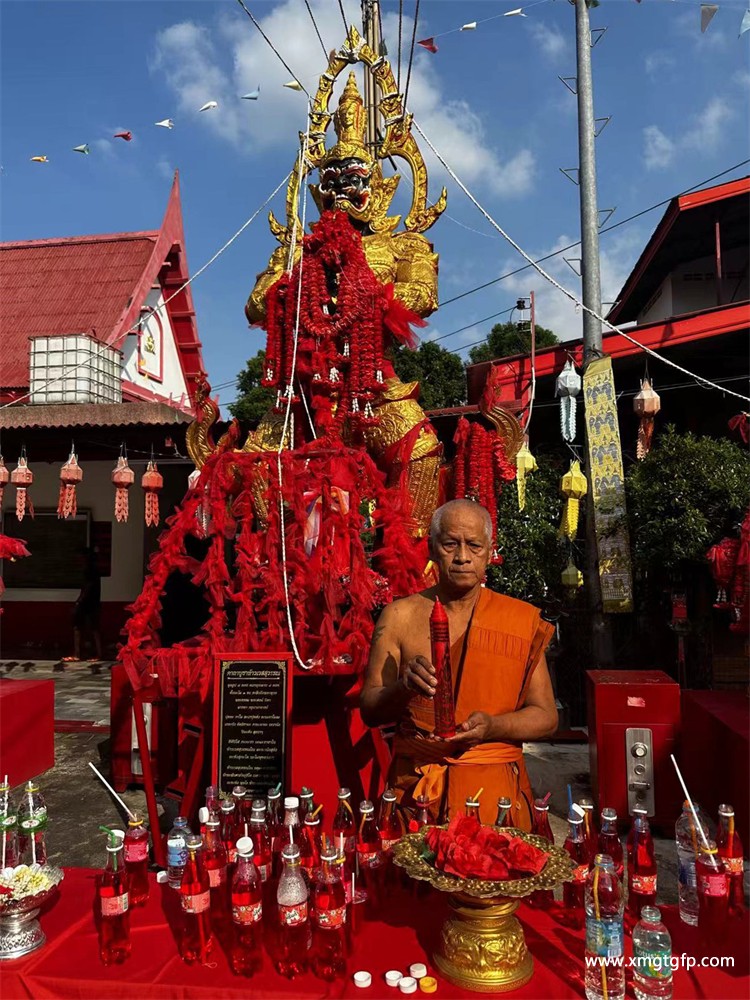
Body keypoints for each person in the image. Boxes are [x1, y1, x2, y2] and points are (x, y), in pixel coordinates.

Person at [360, 499, 558, 829]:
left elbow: (546, 716)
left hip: (495, 797)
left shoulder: (517, 619)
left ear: (490, 551)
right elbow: (369, 708)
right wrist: (403, 688)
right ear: (432, 549)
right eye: (451, 544)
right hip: (417, 794)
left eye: (474, 545)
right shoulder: (398, 616)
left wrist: (494, 727)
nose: (463, 557)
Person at [65, 547, 102, 663]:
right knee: (81, 628)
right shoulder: (90, 570)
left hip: (89, 602)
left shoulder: (90, 571)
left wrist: (79, 601)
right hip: (90, 602)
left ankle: (94, 654)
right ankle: (81, 653)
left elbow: (87, 588)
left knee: (91, 628)